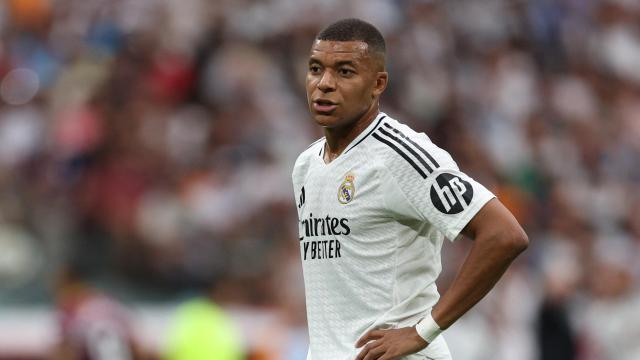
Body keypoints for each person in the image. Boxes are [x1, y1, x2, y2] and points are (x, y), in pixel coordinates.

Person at [291, 18, 529, 360]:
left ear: (378, 84)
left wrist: (422, 332)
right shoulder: (306, 165)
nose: (324, 84)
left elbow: (504, 234)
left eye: (344, 72)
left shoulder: (399, 156)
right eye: (316, 69)